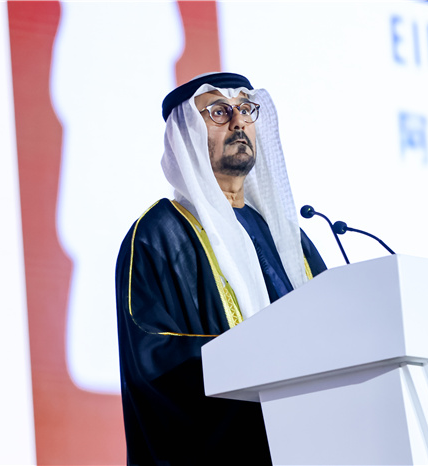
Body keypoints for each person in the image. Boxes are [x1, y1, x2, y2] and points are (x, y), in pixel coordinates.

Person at [115, 72, 327, 465]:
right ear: (187, 135)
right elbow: (152, 360)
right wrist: (261, 359)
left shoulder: (288, 238)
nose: (239, 121)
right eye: (218, 112)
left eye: (245, 109)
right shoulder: (160, 233)